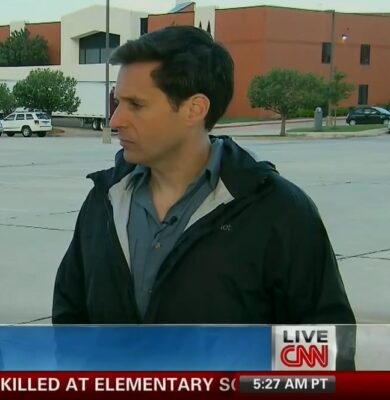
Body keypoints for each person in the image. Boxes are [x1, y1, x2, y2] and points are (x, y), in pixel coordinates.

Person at [52, 26, 355, 366]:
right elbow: (70, 312)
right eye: (117, 101)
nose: (116, 119)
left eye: (135, 105)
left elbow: (324, 352)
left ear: (194, 109)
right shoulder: (103, 201)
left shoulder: (279, 212)